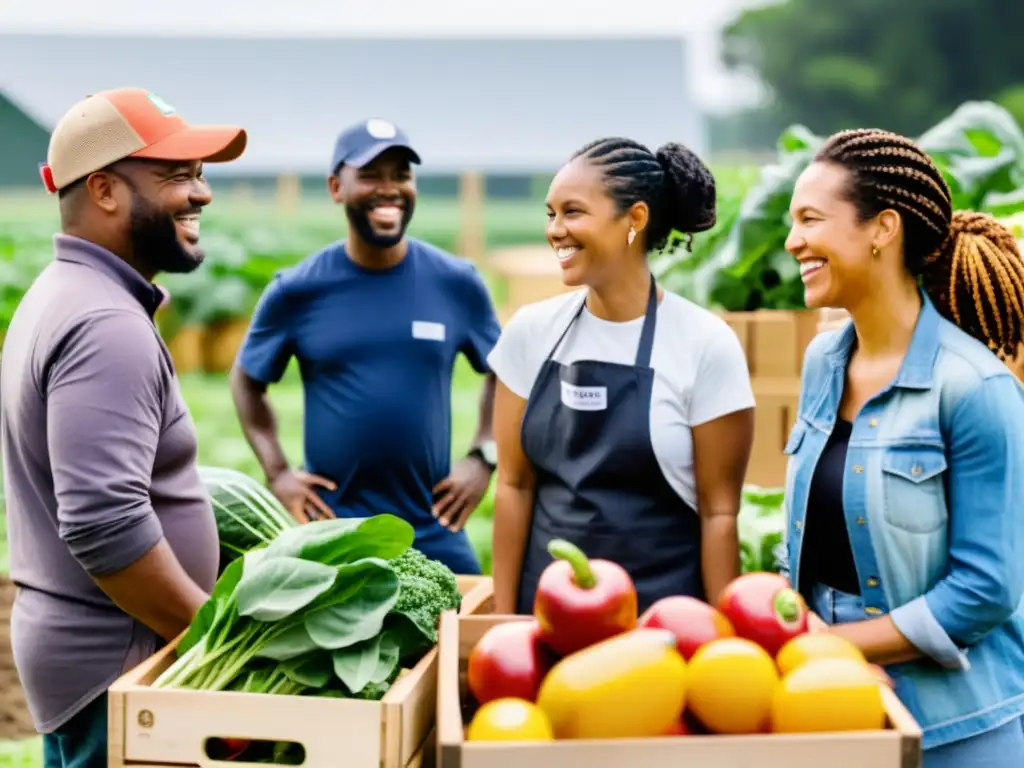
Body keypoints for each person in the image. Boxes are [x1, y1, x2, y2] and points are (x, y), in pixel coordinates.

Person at [0, 88, 246, 768]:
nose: (201, 194)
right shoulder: (105, 325)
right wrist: (212, 642)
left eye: (199, 174)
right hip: (119, 668)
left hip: (97, 660)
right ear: (104, 190)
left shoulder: (64, 294)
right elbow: (104, 522)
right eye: (176, 175)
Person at [781, 127, 1024, 766]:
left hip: (959, 728)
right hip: (836, 706)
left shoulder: (973, 388)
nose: (792, 241)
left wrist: (838, 646)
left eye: (810, 219)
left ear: (882, 228)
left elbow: (986, 588)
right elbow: (801, 549)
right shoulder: (823, 363)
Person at [486, 137, 756, 616]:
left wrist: (721, 644)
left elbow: (719, 515)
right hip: (545, 622)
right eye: (550, 213)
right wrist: (504, 622)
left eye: (573, 212)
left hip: (662, 630)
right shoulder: (531, 332)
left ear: (634, 219)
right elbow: (513, 486)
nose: (556, 230)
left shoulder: (705, 344)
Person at [230, 118, 501, 575]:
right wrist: (277, 472)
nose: (390, 188)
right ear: (336, 187)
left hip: (433, 526)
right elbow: (246, 379)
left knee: (470, 636)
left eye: (401, 175)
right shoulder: (298, 289)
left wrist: (483, 456)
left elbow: (507, 371)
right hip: (333, 527)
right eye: (371, 175)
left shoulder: (456, 283)